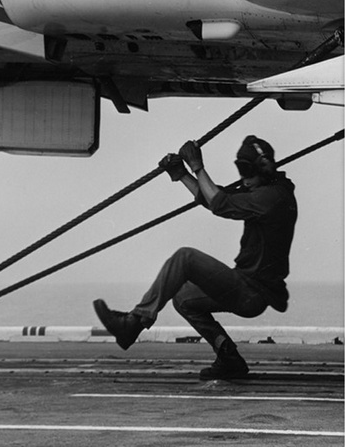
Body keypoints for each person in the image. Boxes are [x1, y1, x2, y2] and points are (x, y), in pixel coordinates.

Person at [93, 136, 298, 380]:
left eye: (246, 170)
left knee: (185, 257)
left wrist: (197, 166)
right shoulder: (268, 192)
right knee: (182, 297)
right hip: (247, 288)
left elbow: (220, 203)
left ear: (262, 168)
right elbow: (215, 198)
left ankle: (134, 323)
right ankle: (228, 357)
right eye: (240, 169)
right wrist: (182, 175)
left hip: (252, 291)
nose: (243, 177)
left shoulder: (272, 197)